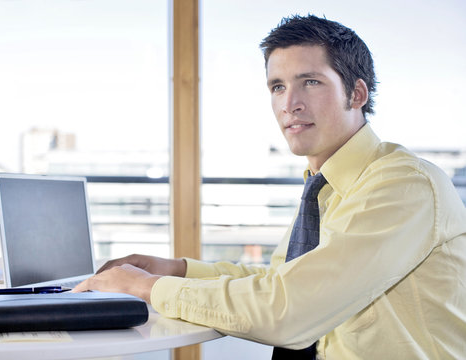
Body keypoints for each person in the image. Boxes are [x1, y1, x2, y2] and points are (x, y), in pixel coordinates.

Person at [74, 15, 466, 359]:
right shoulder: (324, 185)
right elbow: (280, 280)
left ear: (357, 94)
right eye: (277, 86)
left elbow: (289, 309)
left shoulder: (402, 185)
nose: (289, 103)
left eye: (310, 82)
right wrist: (178, 269)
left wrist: (147, 287)